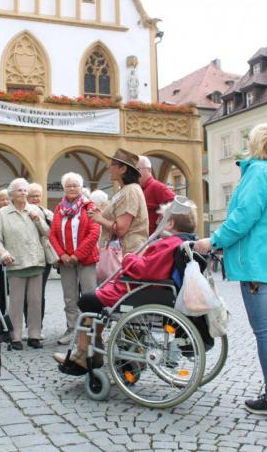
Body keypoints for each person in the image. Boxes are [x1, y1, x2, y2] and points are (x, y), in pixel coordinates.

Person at [195, 122, 267, 417]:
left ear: (259, 144)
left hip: (257, 262)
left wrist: (214, 241)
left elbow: (243, 217)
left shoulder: (259, 173)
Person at [54, 199, 199, 371]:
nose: (157, 223)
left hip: (139, 291)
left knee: (87, 301)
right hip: (151, 291)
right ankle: (91, 350)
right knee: (93, 302)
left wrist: (129, 258)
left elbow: (146, 270)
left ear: (170, 223)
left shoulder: (169, 243)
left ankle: (83, 354)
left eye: (161, 219)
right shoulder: (182, 242)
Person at [0, 178, 49, 351]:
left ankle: (34, 335)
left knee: (35, 301)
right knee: (16, 303)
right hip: (16, 263)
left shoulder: (35, 210)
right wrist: (3, 254)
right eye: (20, 190)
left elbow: (47, 233)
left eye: (25, 190)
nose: (24, 193)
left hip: (36, 261)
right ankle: (15, 336)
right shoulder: (2, 214)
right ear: (11, 194)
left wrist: (38, 220)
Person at [49, 172, 100, 346]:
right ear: (64, 188)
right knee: (69, 297)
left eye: (75, 185)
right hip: (65, 261)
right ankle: (72, 329)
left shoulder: (89, 206)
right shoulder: (59, 208)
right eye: (68, 185)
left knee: (89, 295)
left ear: (81, 187)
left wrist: (77, 255)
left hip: (86, 259)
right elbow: (53, 234)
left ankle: (90, 332)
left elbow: (94, 233)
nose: (72, 188)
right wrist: (62, 255)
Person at [87, 149, 149, 255]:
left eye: (112, 164)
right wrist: (101, 214)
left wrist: (99, 218)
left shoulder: (130, 191)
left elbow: (121, 229)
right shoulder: (126, 190)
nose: (108, 167)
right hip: (124, 253)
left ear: (123, 169)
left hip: (127, 254)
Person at [27, 182, 54, 332]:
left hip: (43, 258)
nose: (35, 199)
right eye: (32, 196)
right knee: (24, 294)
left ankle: (38, 326)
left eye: (38, 196)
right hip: (25, 257)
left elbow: (52, 234)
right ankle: (28, 324)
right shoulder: (21, 212)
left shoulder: (48, 213)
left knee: (38, 293)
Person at [136, 155, 176, 235]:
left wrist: (162, 219)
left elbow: (176, 203)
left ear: (149, 170)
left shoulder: (157, 186)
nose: (134, 173)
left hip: (153, 238)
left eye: (137, 169)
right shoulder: (140, 188)